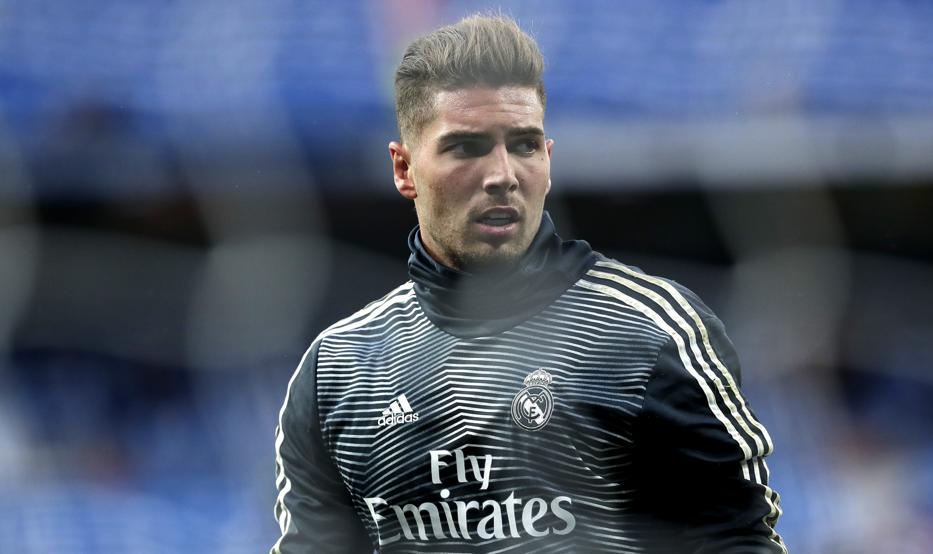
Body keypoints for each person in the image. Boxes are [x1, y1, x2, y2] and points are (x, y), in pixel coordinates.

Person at [271, 14, 785, 554]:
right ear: (403, 169)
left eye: (522, 145)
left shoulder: (650, 332)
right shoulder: (337, 370)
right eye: (467, 148)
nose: (503, 174)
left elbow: (737, 539)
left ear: (548, 159)